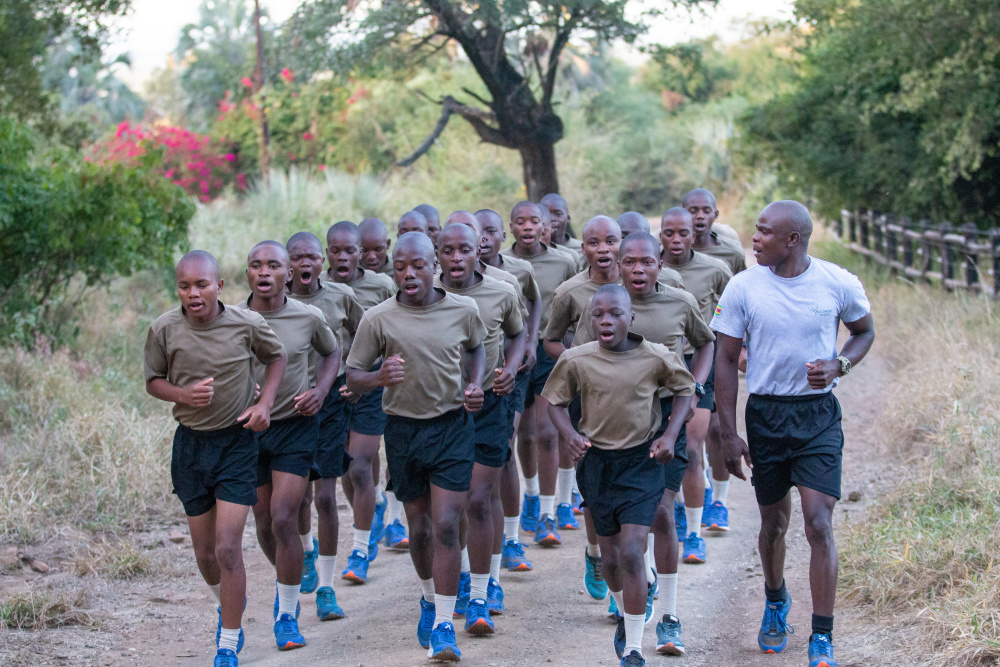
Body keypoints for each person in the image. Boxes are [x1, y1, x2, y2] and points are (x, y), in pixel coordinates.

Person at [712, 200, 874, 667]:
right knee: (774, 522)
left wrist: (840, 363)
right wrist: (729, 432)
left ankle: (822, 636)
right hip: (767, 416)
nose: (754, 239)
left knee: (818, 522)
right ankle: (776, 597)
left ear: (792, 240)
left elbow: (864, 332)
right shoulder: (744, 287)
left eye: (763, 232)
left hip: (818, 416)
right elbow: (725, 360)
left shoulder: (836, 282)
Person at [346, 231, 487, 662]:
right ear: (393, 270)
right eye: (401, 267)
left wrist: (475, 383)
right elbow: (353, 377)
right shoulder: (378, 318)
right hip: (403, 431)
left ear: (435, 266)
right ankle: (429, 598)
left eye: (418, 266)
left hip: (452, 428)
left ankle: (445, 626)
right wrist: (377, 378)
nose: (409, 274)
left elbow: (477, 348)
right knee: (420, 528)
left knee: (446, 523)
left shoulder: (464, 309)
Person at [574, 233, 716, 654]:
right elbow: (580, 356)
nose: (638, 270)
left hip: (665, 424)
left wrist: (695, 386)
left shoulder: (679, 302)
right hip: (613, 429)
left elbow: (706, 342)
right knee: (617, 546)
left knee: (661, 514)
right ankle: (626, 605)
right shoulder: (605, 304)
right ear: (617, 264)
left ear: (660, 264)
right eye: (629, 262)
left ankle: (669, 617)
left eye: (646, 262)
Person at [144, 250, 287, 667]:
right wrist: (183, 395)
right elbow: (153, 381)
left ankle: (227, 642)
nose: (193, 293)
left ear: (219, 285)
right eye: (185, 286)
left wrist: (266, 404)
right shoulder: (164, 329)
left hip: (236, 444)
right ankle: (228, 609)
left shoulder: (246, 324)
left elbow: (275, 358)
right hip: (190, 446)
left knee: (227, 548)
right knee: (205, 555)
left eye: (202, 284)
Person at [543, 284, 695, 667]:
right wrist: (571, 435)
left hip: (641, 463)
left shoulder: (656, 356)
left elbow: (685, 391)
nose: (606, 320)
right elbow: (555, 403)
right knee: (611, 561)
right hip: (596, 465)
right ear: (590, 320)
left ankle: (633, 648)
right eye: (598, 315)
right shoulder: (577, 359)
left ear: (632, 318)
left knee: (631, 552)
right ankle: (629, 597)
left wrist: (670, 435)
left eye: (614, 314)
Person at [238, 241, 340, 651]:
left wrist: (321, 389)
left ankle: (286, 614)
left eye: (273, 265)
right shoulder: (232, 319)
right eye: (255, 265)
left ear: (288, 273)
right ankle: (292, 573)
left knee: (284, 517)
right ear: (247, 274)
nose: (264, 272)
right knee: (263, 522)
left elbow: (332, 354)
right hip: (249, 430)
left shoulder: (308, 316)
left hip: (297, 426)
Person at [437, 222, 527, 633]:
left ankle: (481, 590)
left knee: (478, 498)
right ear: (438, 254)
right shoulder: (424, 293)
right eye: (448, 250)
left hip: (490, 403)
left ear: (480, 252)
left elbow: (519, 334)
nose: (457, 258)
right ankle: (457, 577)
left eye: (465, 250)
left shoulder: (501, 291)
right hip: (439, 410)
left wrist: (510, 368)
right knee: (449, 507)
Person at [286, 232, 363, 621]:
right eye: (296, 257)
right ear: (286, 263)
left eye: (311, 257)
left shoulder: (339, 297)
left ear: (322, 262)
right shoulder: (274, 304)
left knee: (325, 498)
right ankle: (306, 552)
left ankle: (328, 589)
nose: (304, 264)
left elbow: (367, 334)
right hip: (288, 409)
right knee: (297, 498)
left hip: (331, 401)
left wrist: (356, 378)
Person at [501, 202, 578, 548]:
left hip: (550, 353)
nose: (528, 227)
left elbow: (574, 309)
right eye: (521, 221)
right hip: (514, 356)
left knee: (548, 433)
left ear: (546, 226)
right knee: (522, 436)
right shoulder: (501, 265)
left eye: (535, 221)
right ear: (512, 227)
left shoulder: (564, 261)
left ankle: (550, 510)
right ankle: (530, 495)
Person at [325, 221, 398, 584]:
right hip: (333, 391)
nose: (344, 257)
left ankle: (360, 548)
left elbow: (394, 335)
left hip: (371, 384)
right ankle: (373, 511)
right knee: (344, 470)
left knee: (360, 466)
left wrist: (367, 380)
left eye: (350, 250)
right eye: (335, 250)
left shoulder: (382, 286)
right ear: (327, 253)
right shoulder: (318, 290)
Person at [659, 207, 732, 565]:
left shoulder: (716, 268)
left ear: (695, 235)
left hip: (699, 363)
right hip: (659, 366)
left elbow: (732, 311)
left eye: (682, 233)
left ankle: (693, 534)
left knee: (689, 445)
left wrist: (737, 349)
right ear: (660, 236)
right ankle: (666, 512)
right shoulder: (648, 268)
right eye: (669, 233)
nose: (676, 240)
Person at [542, 216, 622, 536]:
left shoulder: (638, 283)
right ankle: (595, 549)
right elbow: (550, 340)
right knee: (594, 479)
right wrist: (577, 363)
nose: (603, 249)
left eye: (611, 241)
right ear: (583, 249)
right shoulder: (569, 291)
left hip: (635, 395)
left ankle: (635, 561)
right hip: (586, 398)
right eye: (593, 243)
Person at [475, 208, 543, 573]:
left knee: (505, 450)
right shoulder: (439, 282)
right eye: (477, 231)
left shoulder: (512, 275)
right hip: (466, 388)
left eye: (490, 231)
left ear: (502, 236)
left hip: (506, 375)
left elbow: (532, 304)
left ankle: (513, 539)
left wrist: (530, 343)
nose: (483, 238)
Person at [682, 188, 746, 534]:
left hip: (718, 350)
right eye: (692, 209)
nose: (698, 216)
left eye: (705, 210)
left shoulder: (729, 255)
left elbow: (743, 299)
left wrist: (743, 349)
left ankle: (718, 501)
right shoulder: (664, 257)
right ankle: (698, 489)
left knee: (720, 428)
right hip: (681, 355)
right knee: (691, 433)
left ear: (715, 215)